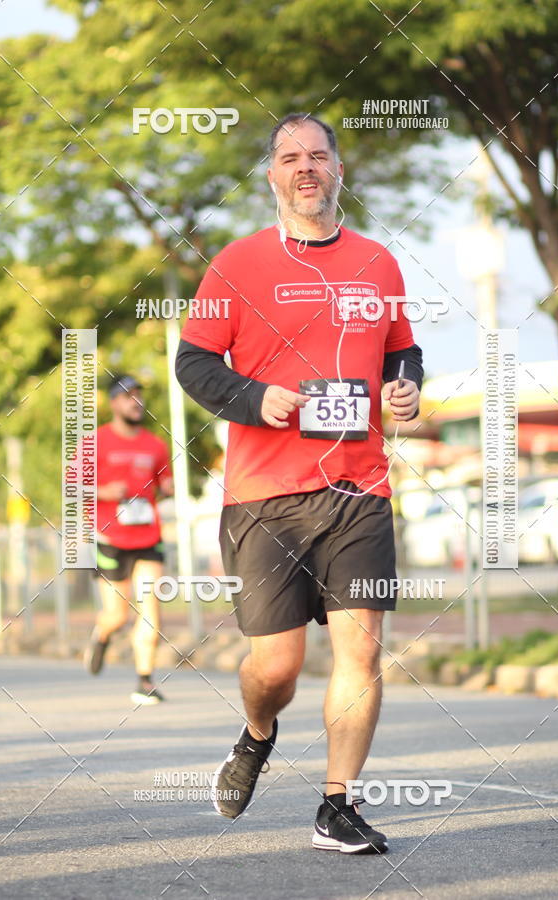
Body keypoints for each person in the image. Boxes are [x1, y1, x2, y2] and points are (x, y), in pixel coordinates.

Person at [175, 112, 423, 853]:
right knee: (276, 666)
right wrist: (257, 399)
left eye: (318, 155)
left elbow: (402, 351)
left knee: (362, 650)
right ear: (273, 176)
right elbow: (193, 363)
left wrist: (405, 386)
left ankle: (337, 805)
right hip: (265, 498)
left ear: (338, 169)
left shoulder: (377, 263)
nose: (306, 167)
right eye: (291, 158)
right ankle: (257, 733)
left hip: (359, 489)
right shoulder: (237, 264)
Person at [84, 374, 174, 705]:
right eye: (128, 396)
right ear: (114, 403)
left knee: (151, 606)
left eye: (139, 395)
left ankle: (145, 680)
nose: (136, 402)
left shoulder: (155, 445)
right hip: (111, 538)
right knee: (118, 615)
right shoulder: (96, 442)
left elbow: (164, 482)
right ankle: (102, 633)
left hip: (148, 536)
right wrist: (104, 491)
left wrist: (167, 488)